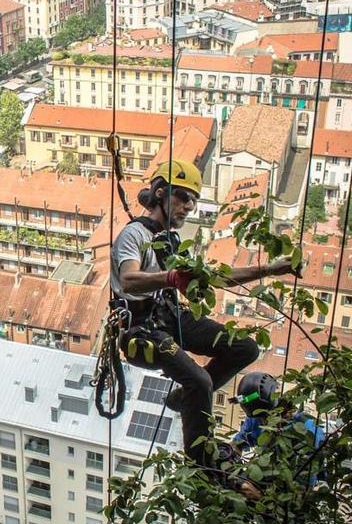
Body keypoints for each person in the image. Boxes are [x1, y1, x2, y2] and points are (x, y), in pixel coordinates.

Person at [110, 159, 297, 470]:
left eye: (192, 201)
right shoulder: (134, 236)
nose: (188, 207)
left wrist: (271, 269)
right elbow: (129, 279)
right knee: (200, 381)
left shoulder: (171, 243)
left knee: (243, 348)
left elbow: (213, 276)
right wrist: (171, 278)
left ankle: (185, 398)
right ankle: (202, 462)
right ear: (160, 193)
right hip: (141, 329)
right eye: (183, 198)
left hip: (169, 317)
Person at [231, 372, 326, 488]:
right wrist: (227, 455)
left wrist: (258, 495)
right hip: (266, 475)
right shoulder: (256, 416)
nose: (262, 423)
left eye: (265, 417)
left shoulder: (307, 431)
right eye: (258, 418)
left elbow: (303, 491)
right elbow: (239, 443)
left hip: (290, 487)